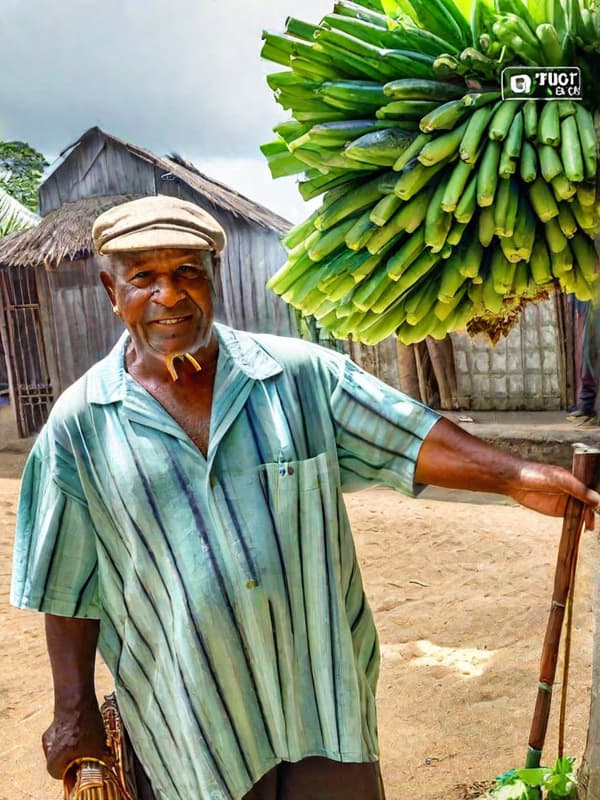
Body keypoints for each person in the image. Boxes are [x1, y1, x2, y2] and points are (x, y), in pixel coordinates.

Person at [10, 195, 600, 800]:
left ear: (215, 278)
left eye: (188, 271)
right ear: (112, 290)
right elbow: (67, 582)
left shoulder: (297, 376)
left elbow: (403, 432)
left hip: (320, 700)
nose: (170, 294)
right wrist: (72, 709)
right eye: (145, 278)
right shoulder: (79, 425)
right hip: (192, 723)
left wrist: (515, 477)